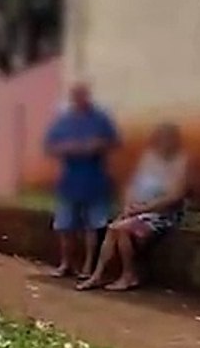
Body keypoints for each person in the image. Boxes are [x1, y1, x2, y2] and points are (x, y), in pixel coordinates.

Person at [78, 122, 188, 291]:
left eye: (168, 139)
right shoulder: (149, 158)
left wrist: (143, 209)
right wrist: (128, 206)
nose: (164, 143)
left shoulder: (180, 162)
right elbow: (133, 185)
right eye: (161, 139)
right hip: (138, 211)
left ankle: (128, 275)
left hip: (161, 215)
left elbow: (175, 196)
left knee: (120, 229)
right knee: (113, 228)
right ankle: (98, 276)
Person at [43, 82, 120, 279]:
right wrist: (68, 148)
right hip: (69, 181)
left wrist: (96, 146)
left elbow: (114, 141)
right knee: (64, 226)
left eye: (82, 95)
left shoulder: (100, 118)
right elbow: (49, 146)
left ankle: (88, 266)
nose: (79, 99)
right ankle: (66, 263)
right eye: (76, 96)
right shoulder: (64, 120)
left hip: (95, 180)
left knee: (93, 227)